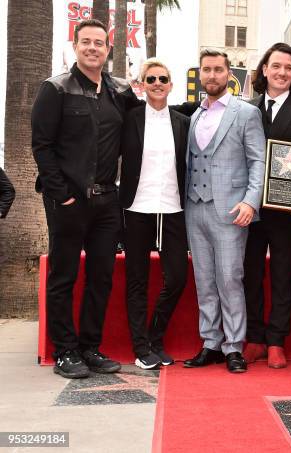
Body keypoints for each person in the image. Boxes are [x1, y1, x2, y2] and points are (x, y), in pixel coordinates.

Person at [31, 19, 140, 379]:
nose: (93, 48)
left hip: (107, 202)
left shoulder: (120, 92)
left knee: (101, 277)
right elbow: (42, 147)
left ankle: (90, 347)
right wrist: (62, 197)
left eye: (99, 43)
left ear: (108, 50)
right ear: (75, 46)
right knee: (63, 276)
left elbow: (148, 121)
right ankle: (65, 351)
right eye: (86, 42)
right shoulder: (55, 88)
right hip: (68, 202)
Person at [182, 50, 266, 373]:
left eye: (218, 69)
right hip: (195, 207)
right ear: (200, 75)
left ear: (229, 73)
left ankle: (234, 346)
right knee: (204, 279)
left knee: (230, 278)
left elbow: (258, 159)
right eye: (207, 70)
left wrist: (250, 200)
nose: (212, 75)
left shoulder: (245, 113)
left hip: (231, 209)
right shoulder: (194, 117)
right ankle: (211, 343)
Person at [242, 42, 291, 368]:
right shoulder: (247, 109)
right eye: (276, 66)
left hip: (287, 211)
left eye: (288, 68)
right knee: (249, 274)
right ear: (264, 69)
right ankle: (256, 337)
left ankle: (276, 340)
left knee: (282, 275)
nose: (282, 73)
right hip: (250, 209)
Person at [119, 58, 190, 370]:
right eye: (151, 79)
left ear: (171, 85)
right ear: (142, 85)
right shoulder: (129, 118)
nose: (158, 83)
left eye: (163, 78)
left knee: (177, 278)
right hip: (137, 207)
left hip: (173, 209)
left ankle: (155, 337)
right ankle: (141, 347)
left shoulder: (183, 122)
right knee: (136, 280)